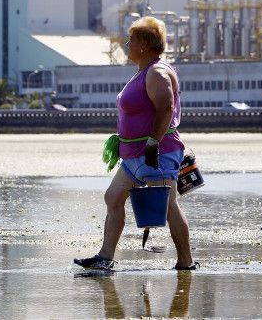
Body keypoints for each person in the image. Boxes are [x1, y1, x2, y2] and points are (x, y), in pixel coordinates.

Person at [74, 16, 196, 271]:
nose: (127, 44)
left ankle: (186, 262)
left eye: (131, 40)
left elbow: (166, 108)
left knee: (168, 205)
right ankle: (105, 257)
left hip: (157, 152)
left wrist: (152, 143)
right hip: (132, 155)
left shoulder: (157, 72)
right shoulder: (143, 72)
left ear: (143, 44)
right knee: (113, 197)